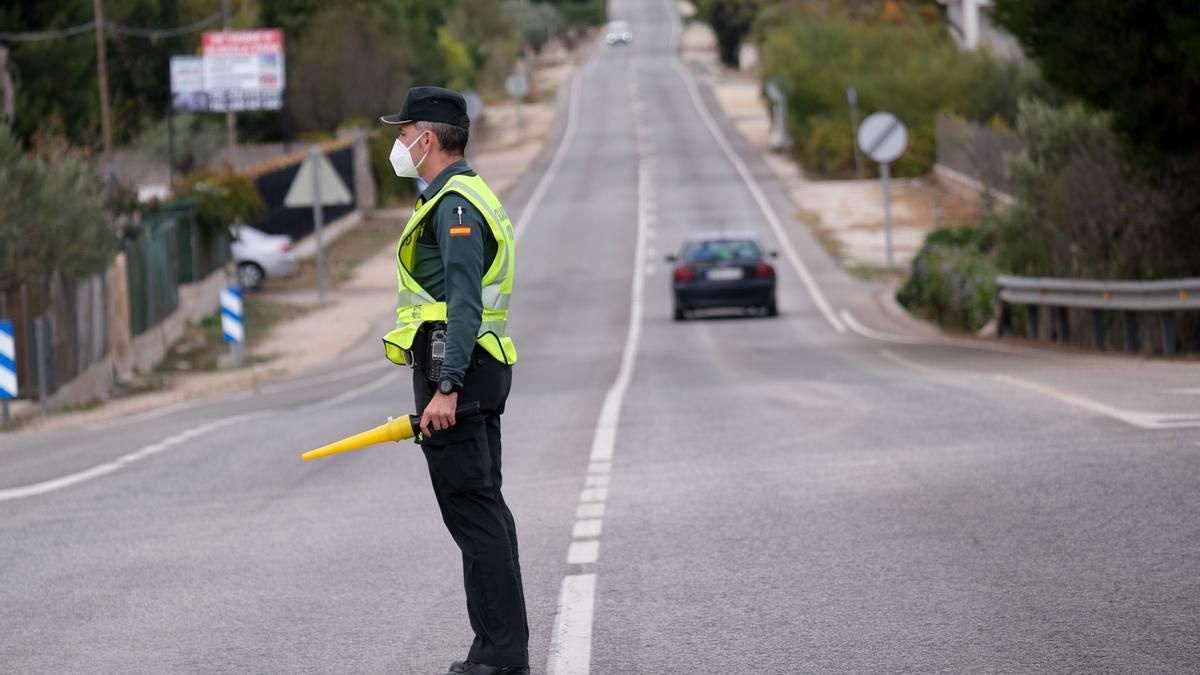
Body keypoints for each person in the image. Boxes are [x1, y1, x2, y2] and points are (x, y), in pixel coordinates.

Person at [379, 87, 528, 675]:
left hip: (459, 376)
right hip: (471, 372)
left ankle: (500, 654)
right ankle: (493, 646)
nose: (398, 143)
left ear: (429, 138)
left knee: (473, 512)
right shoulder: (456, 195)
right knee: (482, 510)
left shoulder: (455, 206)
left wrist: (446, 387)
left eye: (403, 131)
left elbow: (463, 304)